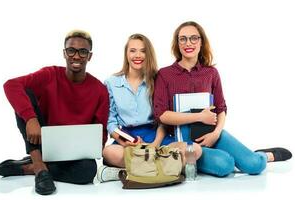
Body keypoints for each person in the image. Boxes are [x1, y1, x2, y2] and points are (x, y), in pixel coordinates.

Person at [153, 21, 292, 177]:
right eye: (183, 39)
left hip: (212, 134)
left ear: (201, 42)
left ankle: (264, 155)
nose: (188, 43)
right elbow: (161, 115)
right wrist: (199, 116)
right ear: (177, 43)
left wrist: (216, 133)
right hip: (183, 141)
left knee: (255, 165)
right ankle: (224, 159)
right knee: (225, 165)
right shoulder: (165, 74)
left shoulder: (211, 73)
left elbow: (221, 108)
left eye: (194, 38)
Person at [0, 30, 109, 195]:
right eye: (71, 50)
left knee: (89, 171)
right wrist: (30, 118)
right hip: (40, 139)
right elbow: (11, 85)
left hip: (73, 152)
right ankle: (41, 170)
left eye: (83, 52)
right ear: (64, 53)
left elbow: (101, 133)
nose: (76, 56)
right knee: (24, 94)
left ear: (89, 56)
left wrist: (92, 147)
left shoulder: (100, 90)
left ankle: (32, 166)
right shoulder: (50, 74)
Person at [96, 33, 202, 183]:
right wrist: (123, 141)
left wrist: (154, 145)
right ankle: (168, 168)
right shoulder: (111, 83)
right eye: (132, 50)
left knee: (195, 150)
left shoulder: (157, 79)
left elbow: (163, 118)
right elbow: (111, 122)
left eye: (143, 51)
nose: (137, 55)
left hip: (157, 136)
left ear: (148, 54)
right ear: (126, 53)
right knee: (108, 152)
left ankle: (129, 172)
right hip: (129, 140)